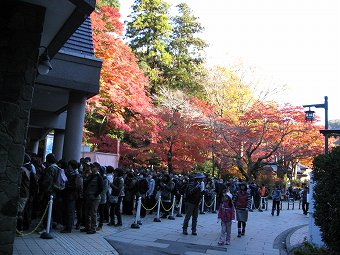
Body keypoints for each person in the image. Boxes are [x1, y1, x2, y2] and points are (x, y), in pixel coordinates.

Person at [80, 162, 103, 234]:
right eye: (92, 167)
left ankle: (93, 228)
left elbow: (101, 188)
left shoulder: (99, 177)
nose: (92, 168)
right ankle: (87, 227)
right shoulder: (90, 175)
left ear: (97, 168)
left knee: (93, 213)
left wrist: (95, 195)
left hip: (95, 198)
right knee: (87, 212)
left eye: (94, 167)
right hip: (88, 196)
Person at [61, 160, 82, 233]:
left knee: (70, 212)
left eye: (69, 165)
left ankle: (68, 228)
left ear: (72, 166)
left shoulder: (76, 175)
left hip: (72, 196)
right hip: (67, 195)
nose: (68, 167)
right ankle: (66, 226)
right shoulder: (69, 173)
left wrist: (66, 184)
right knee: (66, 211)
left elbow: (76, 186)